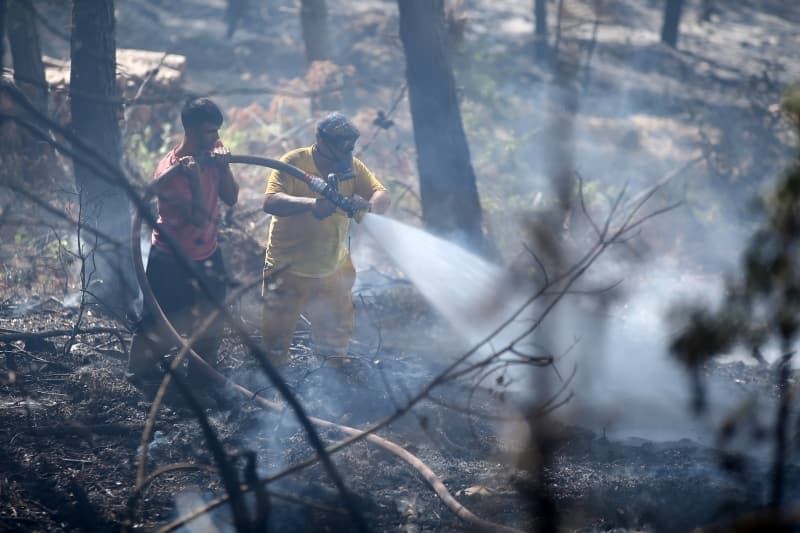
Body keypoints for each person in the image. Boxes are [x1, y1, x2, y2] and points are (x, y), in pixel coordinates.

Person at [261, 112, 390, 366]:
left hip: (333, 270)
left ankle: (334, 394)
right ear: (320, 142)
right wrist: (311, 204)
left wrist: (369, 205)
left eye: (349, 149)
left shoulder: (352, 167)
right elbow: (270, 201)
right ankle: (273, 398)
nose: (345, 157)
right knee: (276, 346)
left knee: (334, 348)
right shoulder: (294, 162)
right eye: (340, 150)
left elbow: (382, 194)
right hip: (287, 269)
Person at [128, 98, 239, 392]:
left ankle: (200, 383)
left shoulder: (212, 150)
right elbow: (200, 219)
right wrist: (194, 178)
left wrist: (224, 167)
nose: (215, 138)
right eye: (208, 132)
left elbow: (231, 198)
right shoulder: (172, 172)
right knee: (160, 321)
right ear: (189, 130)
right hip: (171, 259)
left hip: (208, 253)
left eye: (217, 132)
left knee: (212, 319)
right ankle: (141, 377)